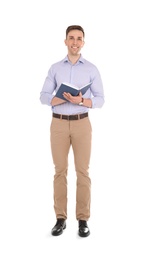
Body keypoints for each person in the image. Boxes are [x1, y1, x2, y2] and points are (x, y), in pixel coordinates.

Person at [40, 25, 104, 237]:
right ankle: (60, 219)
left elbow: (101, 99)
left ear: (83, 43)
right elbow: (43, 96)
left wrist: (81, 100)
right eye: (71, 38)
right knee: (60, 171)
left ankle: (83, 219)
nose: (75, 42)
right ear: (65, 41)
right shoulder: (55, 68)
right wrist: (61, 98)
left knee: (82, 171)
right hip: (58, 124)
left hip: (81, 124)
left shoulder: (91, 69)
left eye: (79, 38)